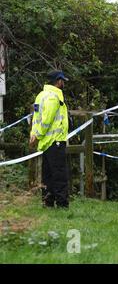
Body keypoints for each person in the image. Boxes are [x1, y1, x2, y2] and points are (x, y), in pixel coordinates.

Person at [29, 71, 70, 208]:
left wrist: (33, 135)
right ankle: (62, 204)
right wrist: (38, 135)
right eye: (63, 81)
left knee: (47, 175)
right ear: (58, 81)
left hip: (45, 143)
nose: (63, 83)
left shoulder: (40, 96)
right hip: (55, 140)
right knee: (59, 174)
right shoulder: (54, 97)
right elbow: (46, 120)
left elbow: (36, 118)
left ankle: (48, 202)